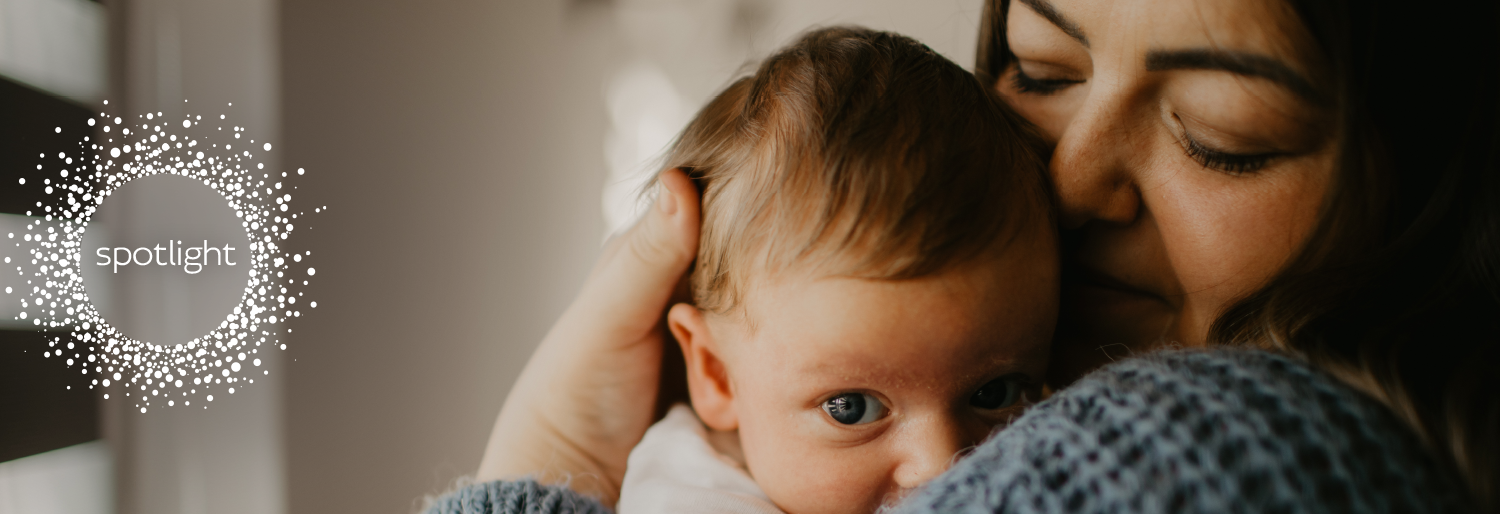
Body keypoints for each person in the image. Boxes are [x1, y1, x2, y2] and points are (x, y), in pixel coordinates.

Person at [435, 0, 1499, 512]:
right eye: (1041, 71)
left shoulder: (1217, 460)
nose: (1071, 181)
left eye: (1221, 136)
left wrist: (536, 460)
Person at [613, 27, 1054, 514]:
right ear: (717, 374)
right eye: (851, 408)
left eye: (995, 394)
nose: (942, 467)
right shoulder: (690, 495)